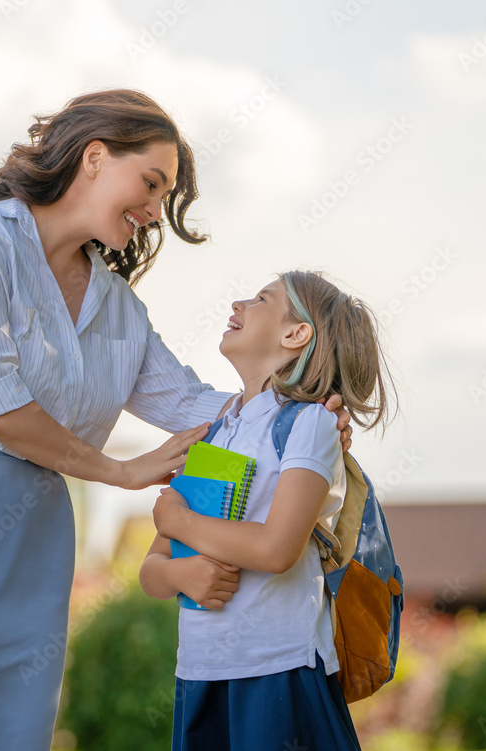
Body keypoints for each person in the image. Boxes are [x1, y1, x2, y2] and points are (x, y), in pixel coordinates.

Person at [0, 89, 352, 751]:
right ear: (93, 157)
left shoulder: (119, 310)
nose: (153, 212)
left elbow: (202, 409)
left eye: (163, 197)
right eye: (150, 183)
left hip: (37, 530)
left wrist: (299, 412)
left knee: (10, 735)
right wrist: (120, 470)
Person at [144, 270, 395, 751]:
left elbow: (278, 550)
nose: (238, 303)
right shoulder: (218, 431)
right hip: (199, 675)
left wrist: (177, 520)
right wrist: (183, 576)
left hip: (278, 673)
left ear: (295, 334)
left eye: (260, 299)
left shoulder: (310, 424)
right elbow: (153, 569)